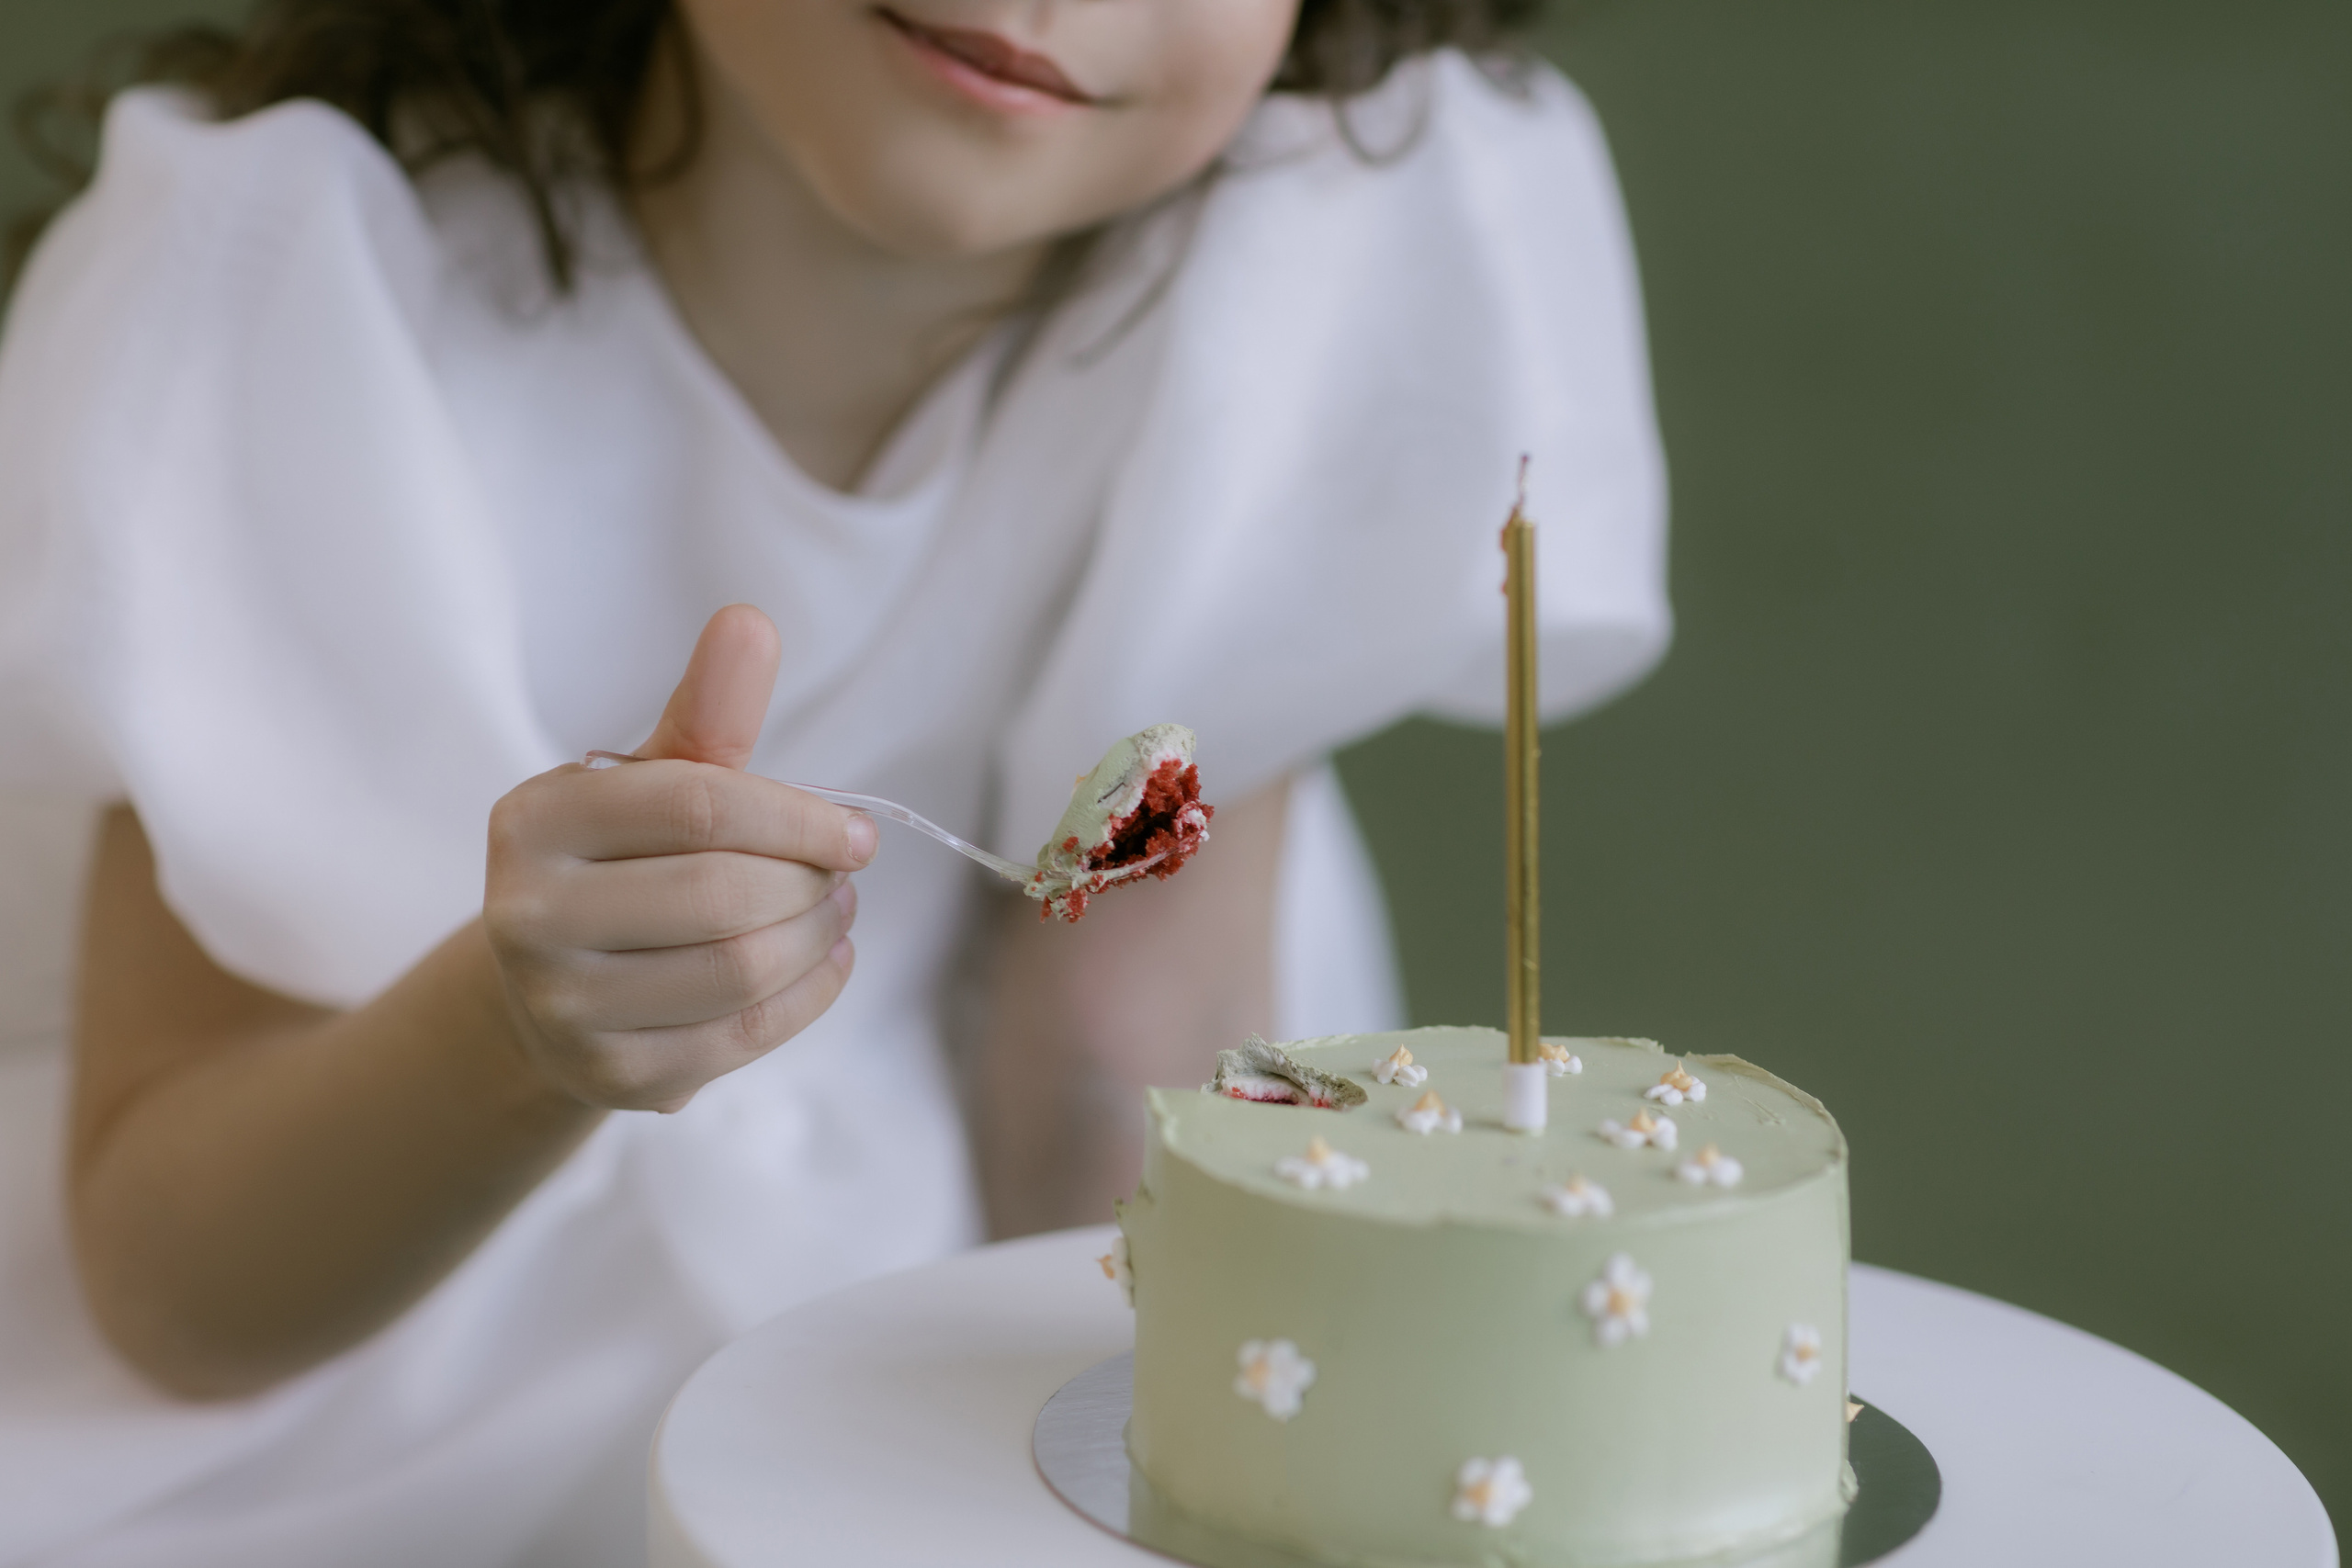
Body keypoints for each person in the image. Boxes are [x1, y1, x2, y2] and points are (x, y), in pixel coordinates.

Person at [0, 1, 1668, 1562]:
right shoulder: (302, 294)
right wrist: (515, 1041)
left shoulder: (1294, 292)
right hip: (352, 1427)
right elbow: (176, 1291)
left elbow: (1113, 1082)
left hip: (927, 1378)